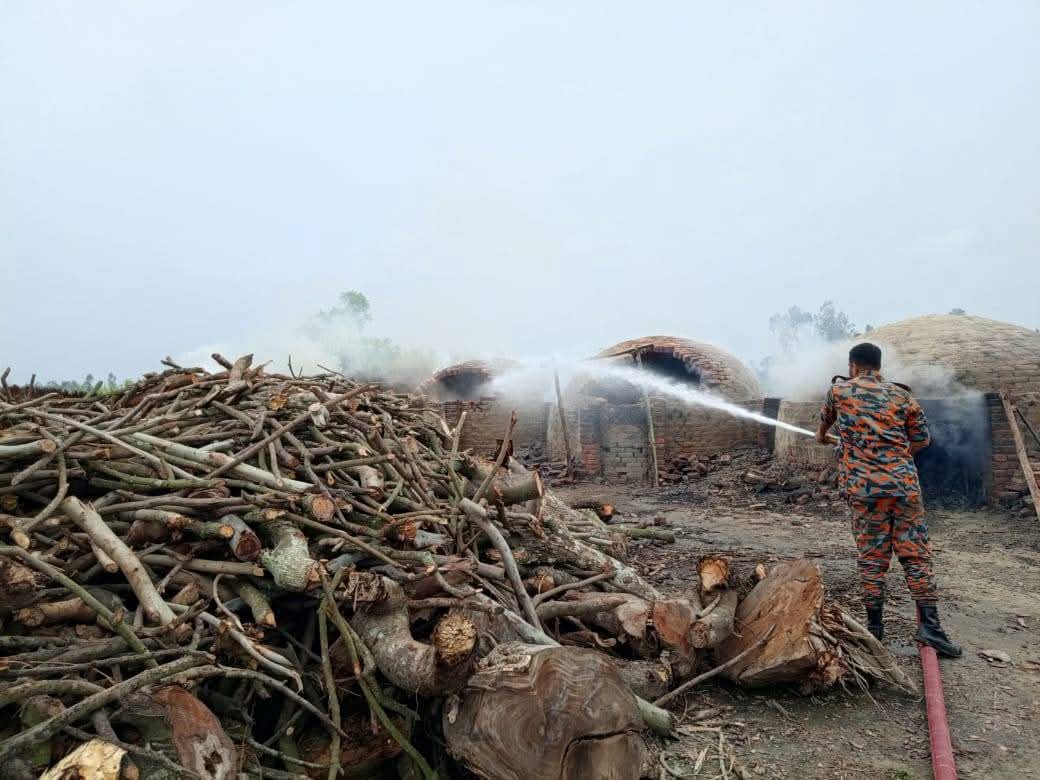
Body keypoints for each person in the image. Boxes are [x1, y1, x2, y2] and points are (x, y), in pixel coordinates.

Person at [816, 342, 961, 657]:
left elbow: (822, 430)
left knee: (872, 558)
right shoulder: (902, 396)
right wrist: (895, 454)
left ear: (853, 365)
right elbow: (922, 440)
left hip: (865, 493)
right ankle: (931, 629)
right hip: (904, 488)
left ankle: (875, 630)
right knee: (916, 555)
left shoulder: (838, 392)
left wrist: (834, 441)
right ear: (879, 366)